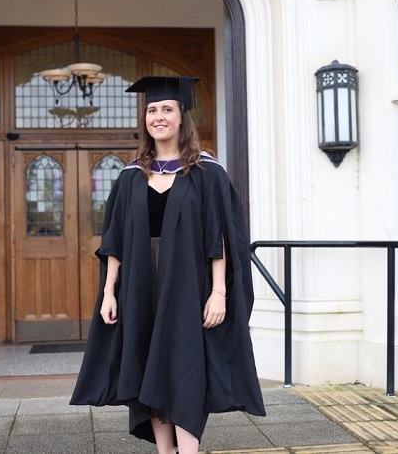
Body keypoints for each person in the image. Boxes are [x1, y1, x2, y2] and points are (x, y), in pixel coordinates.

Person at [70, 76, 265, 453]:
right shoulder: (130, 176)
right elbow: (116, 240)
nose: (158, 117)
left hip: (189, 286)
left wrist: (219, 292)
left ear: (181, 117)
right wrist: (109, 292)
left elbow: (219, 237)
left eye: (166, 109)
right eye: (152, 110)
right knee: (149, 366)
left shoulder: (207, 173)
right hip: (142, 286)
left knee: (184, 367)